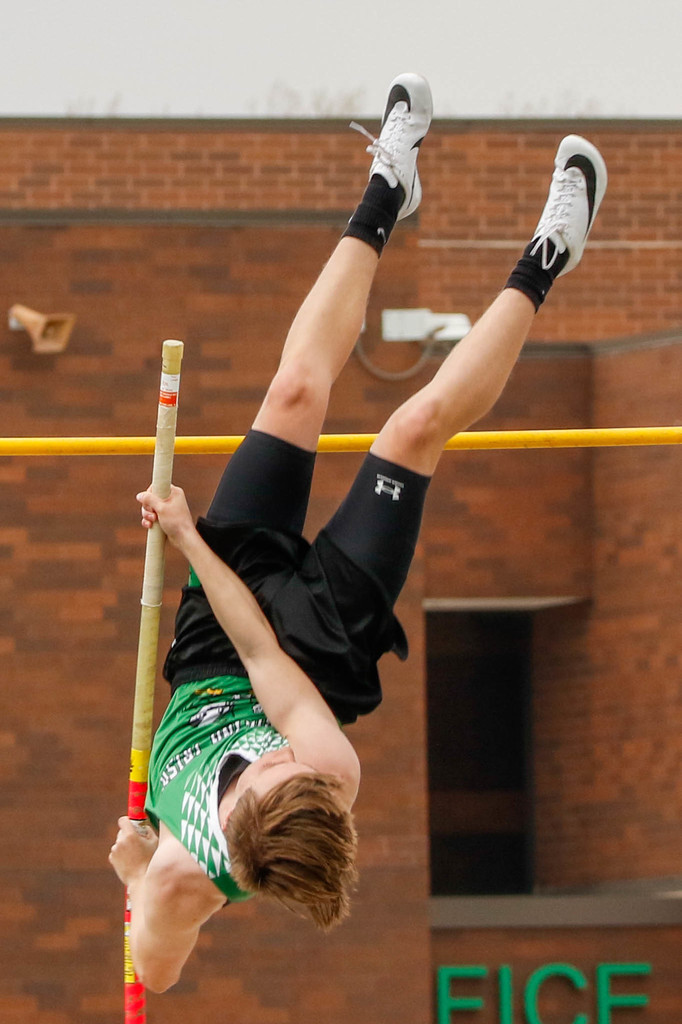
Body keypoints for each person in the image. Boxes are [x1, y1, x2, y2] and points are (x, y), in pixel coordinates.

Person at [108, 72, 607, 992]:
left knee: (295, 391)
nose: (281, 754)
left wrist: (137, 878)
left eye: (270, 771)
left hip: (211, 655)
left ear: (237, 821)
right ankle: (547, 256)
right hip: (313, 654)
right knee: (412, 431)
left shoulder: (186, 870)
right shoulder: (326, 770)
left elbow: (155, 969)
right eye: (292, 768)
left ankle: (386, 189)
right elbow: (270, 661)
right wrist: (186, 538)